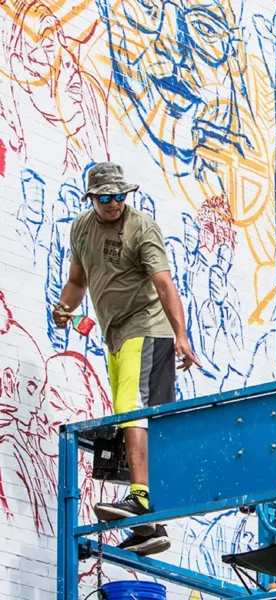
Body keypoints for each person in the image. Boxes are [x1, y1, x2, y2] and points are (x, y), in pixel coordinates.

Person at [52, 162, 201, 556]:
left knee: (131, 409)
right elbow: (78, 280)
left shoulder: (141, 228)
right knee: (132, 415)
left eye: (121, 195)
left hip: (148, 327)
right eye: (107, 197)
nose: (116, 203)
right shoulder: (81, 229)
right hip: (115, 335)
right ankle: (149, 526)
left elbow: (164, 282)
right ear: (92, 199)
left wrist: (182, 336)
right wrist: (65, 306)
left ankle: (140, 500)